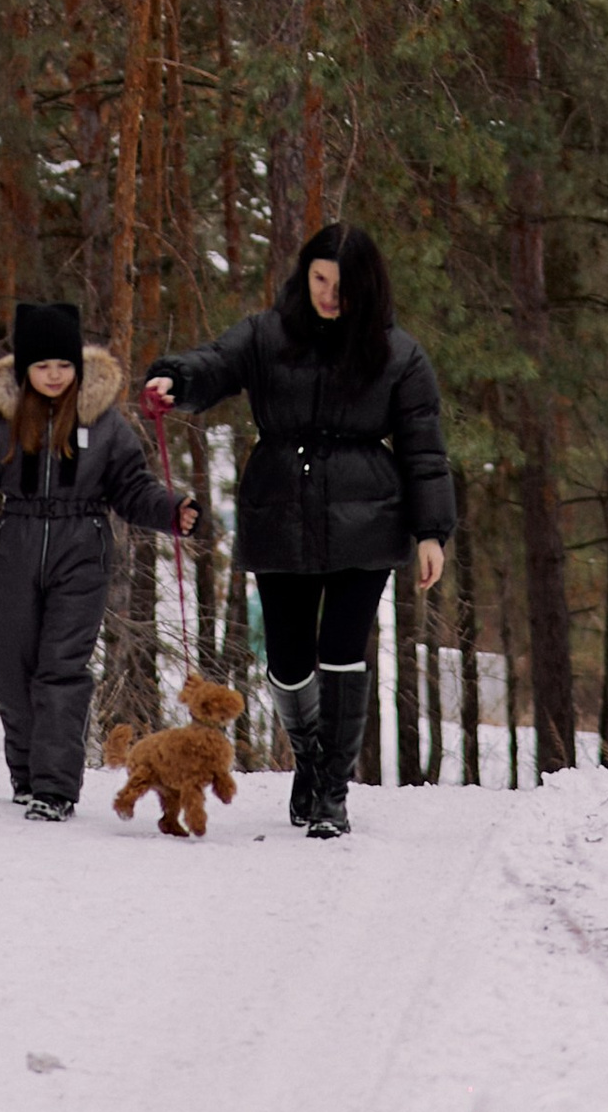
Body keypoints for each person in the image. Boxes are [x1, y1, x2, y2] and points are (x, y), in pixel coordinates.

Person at [141, 220, 453, 842]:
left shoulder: (398, 353)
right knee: (284, 658)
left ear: (366, 287)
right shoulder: (267, 333)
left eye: (340, 285)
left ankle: (332, 791)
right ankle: (309, 759)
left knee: (342, 650)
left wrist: (430, 532)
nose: (328, 295)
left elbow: (424, 449)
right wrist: (177, 380)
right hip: (280, 507)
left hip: (367, 517)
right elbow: (216, 363)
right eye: (318, 279)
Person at [0, 300, 196, 822]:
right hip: (16, 546)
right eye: (43, 366)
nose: (53, 376)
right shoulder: (0, 421)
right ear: (25, 369)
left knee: (61, 670)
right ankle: (25, 778)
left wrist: (172, 510)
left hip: (81, 548)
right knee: (13, 672)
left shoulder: (106, 425)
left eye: (63, 366)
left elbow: (132, 489)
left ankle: (55, 788)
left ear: (78, 367)